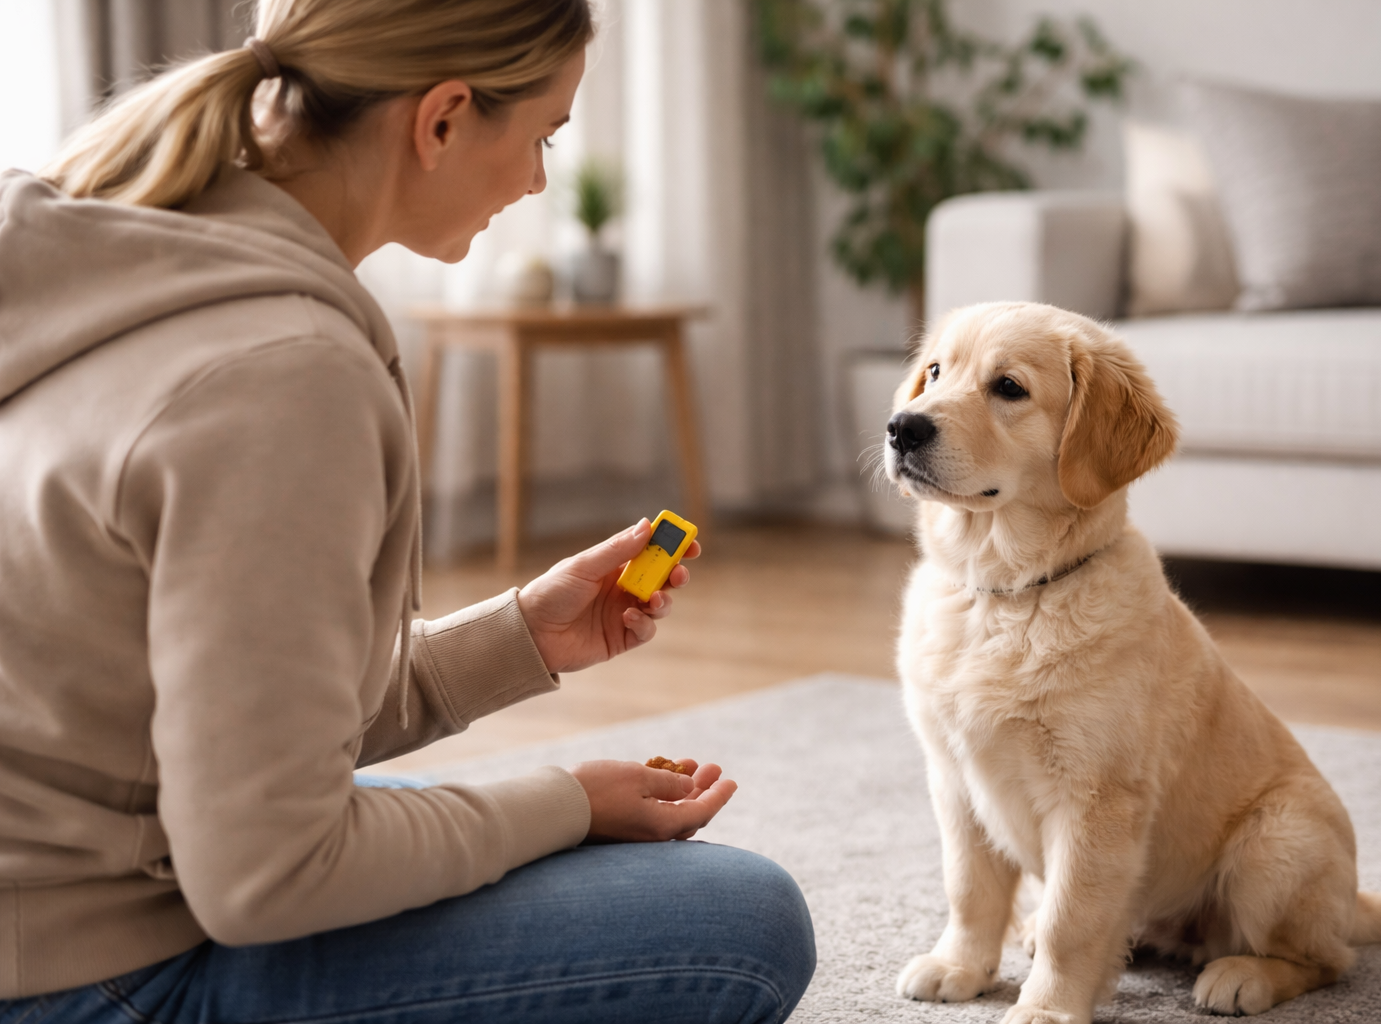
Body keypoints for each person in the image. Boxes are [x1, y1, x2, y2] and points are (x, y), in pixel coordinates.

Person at [0, 1, 815, 1021]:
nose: (536, 181)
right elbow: (269, 869)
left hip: (60, 881)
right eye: (541, 137)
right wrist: (565, 803)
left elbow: (242, 737)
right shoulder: (280, 376)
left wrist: (519, 636)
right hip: (78, 972)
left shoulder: (111, 251)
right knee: (738, 922)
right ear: (441, 119)